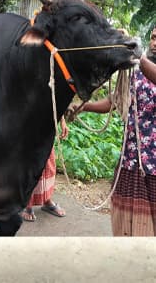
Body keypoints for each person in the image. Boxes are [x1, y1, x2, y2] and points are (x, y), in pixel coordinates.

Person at [74, 26, 156, 235]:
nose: (155, 43)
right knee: (127, 224)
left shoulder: (144, 67)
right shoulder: (136, 73)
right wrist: (84, 106)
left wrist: (137, 56)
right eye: (153, 38)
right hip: (132, 159)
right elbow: (115, 100)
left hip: (154, 165)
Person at [21, 118, 68, 222]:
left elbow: (55, 102)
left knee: (48, 164)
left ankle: (47, 200)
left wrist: (62, 121)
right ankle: (27, 203)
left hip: (47, 122)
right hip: (29, 118)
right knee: (31, 162)